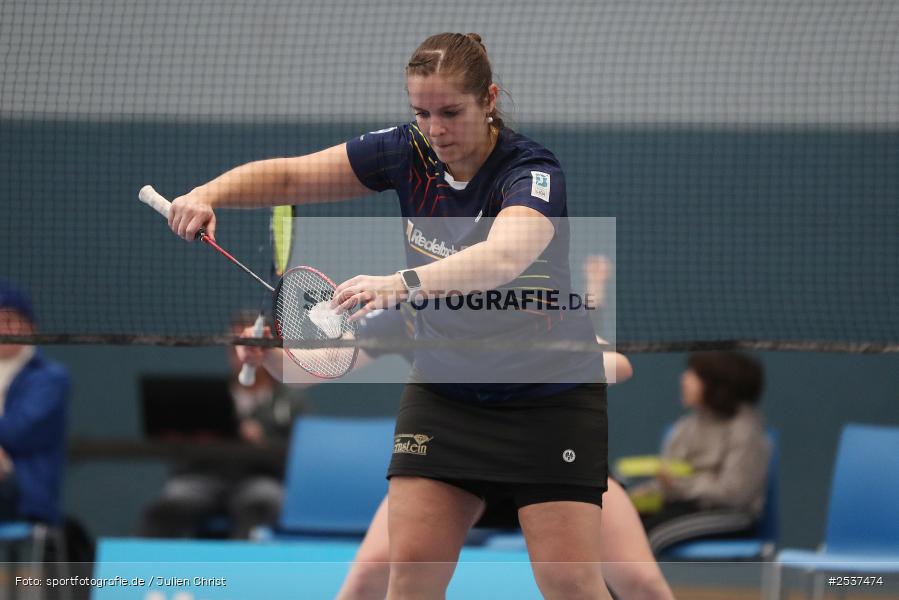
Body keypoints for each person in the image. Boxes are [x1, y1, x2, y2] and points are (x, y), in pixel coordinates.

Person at [170, 32, 616, 598]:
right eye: (422, 113)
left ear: (490, 100)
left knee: (571, 585)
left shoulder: (529, 171)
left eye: (451, 112)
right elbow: (290, 177)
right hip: (446, 392)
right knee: (408, 580)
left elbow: (504, 257)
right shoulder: (408, 152)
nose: (436, 130)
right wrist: (208, 192)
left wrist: (401, 284)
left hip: (549, 395)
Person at [138, 313, 305, 539]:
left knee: (262, 501)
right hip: (206, 477)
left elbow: (299, 457)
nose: (243, 355)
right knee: (169, 505)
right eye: (236, 347)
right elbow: (183, 452)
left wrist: (261, 443)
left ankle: (243, 571)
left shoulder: (290, 401)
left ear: (268, 350)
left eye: (252, 346)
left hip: (259, 479)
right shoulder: (205, 398)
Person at [630, 351, 770, 554]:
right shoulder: (685, 427)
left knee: (652, 536)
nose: (684, 379)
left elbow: (734, 493)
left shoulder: (745, 429)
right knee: (625, 525)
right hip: (685, 506)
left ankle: (645, 587)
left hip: (732, 513)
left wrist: (679, 486)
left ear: (716, 383)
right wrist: (648, 492)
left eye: (694, 374)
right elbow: (670, 480)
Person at [0, 281, 70, 525]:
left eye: (11, 320)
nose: (4, 328)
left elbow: (18, 431)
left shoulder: (50, 378)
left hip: (24, 490)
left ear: (30, 326)